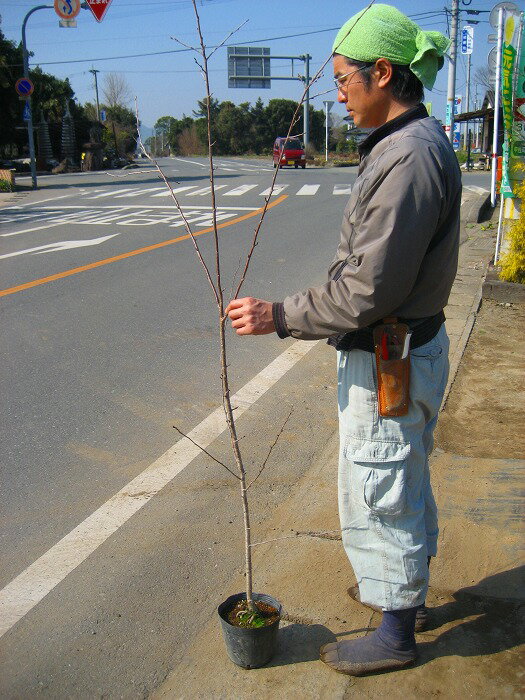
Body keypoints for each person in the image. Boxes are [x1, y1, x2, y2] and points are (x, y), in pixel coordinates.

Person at [226, 3, 460, 676]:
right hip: (404, 349)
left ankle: (394, 630)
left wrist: (278, 315)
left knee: (380, 485)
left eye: (342, 79)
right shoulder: (405, 146)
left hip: (391, 351)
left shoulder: (408, 158)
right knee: (398, 474)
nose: (337, 91)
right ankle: (401, 599)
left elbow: (368, 291)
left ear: (382, 73)